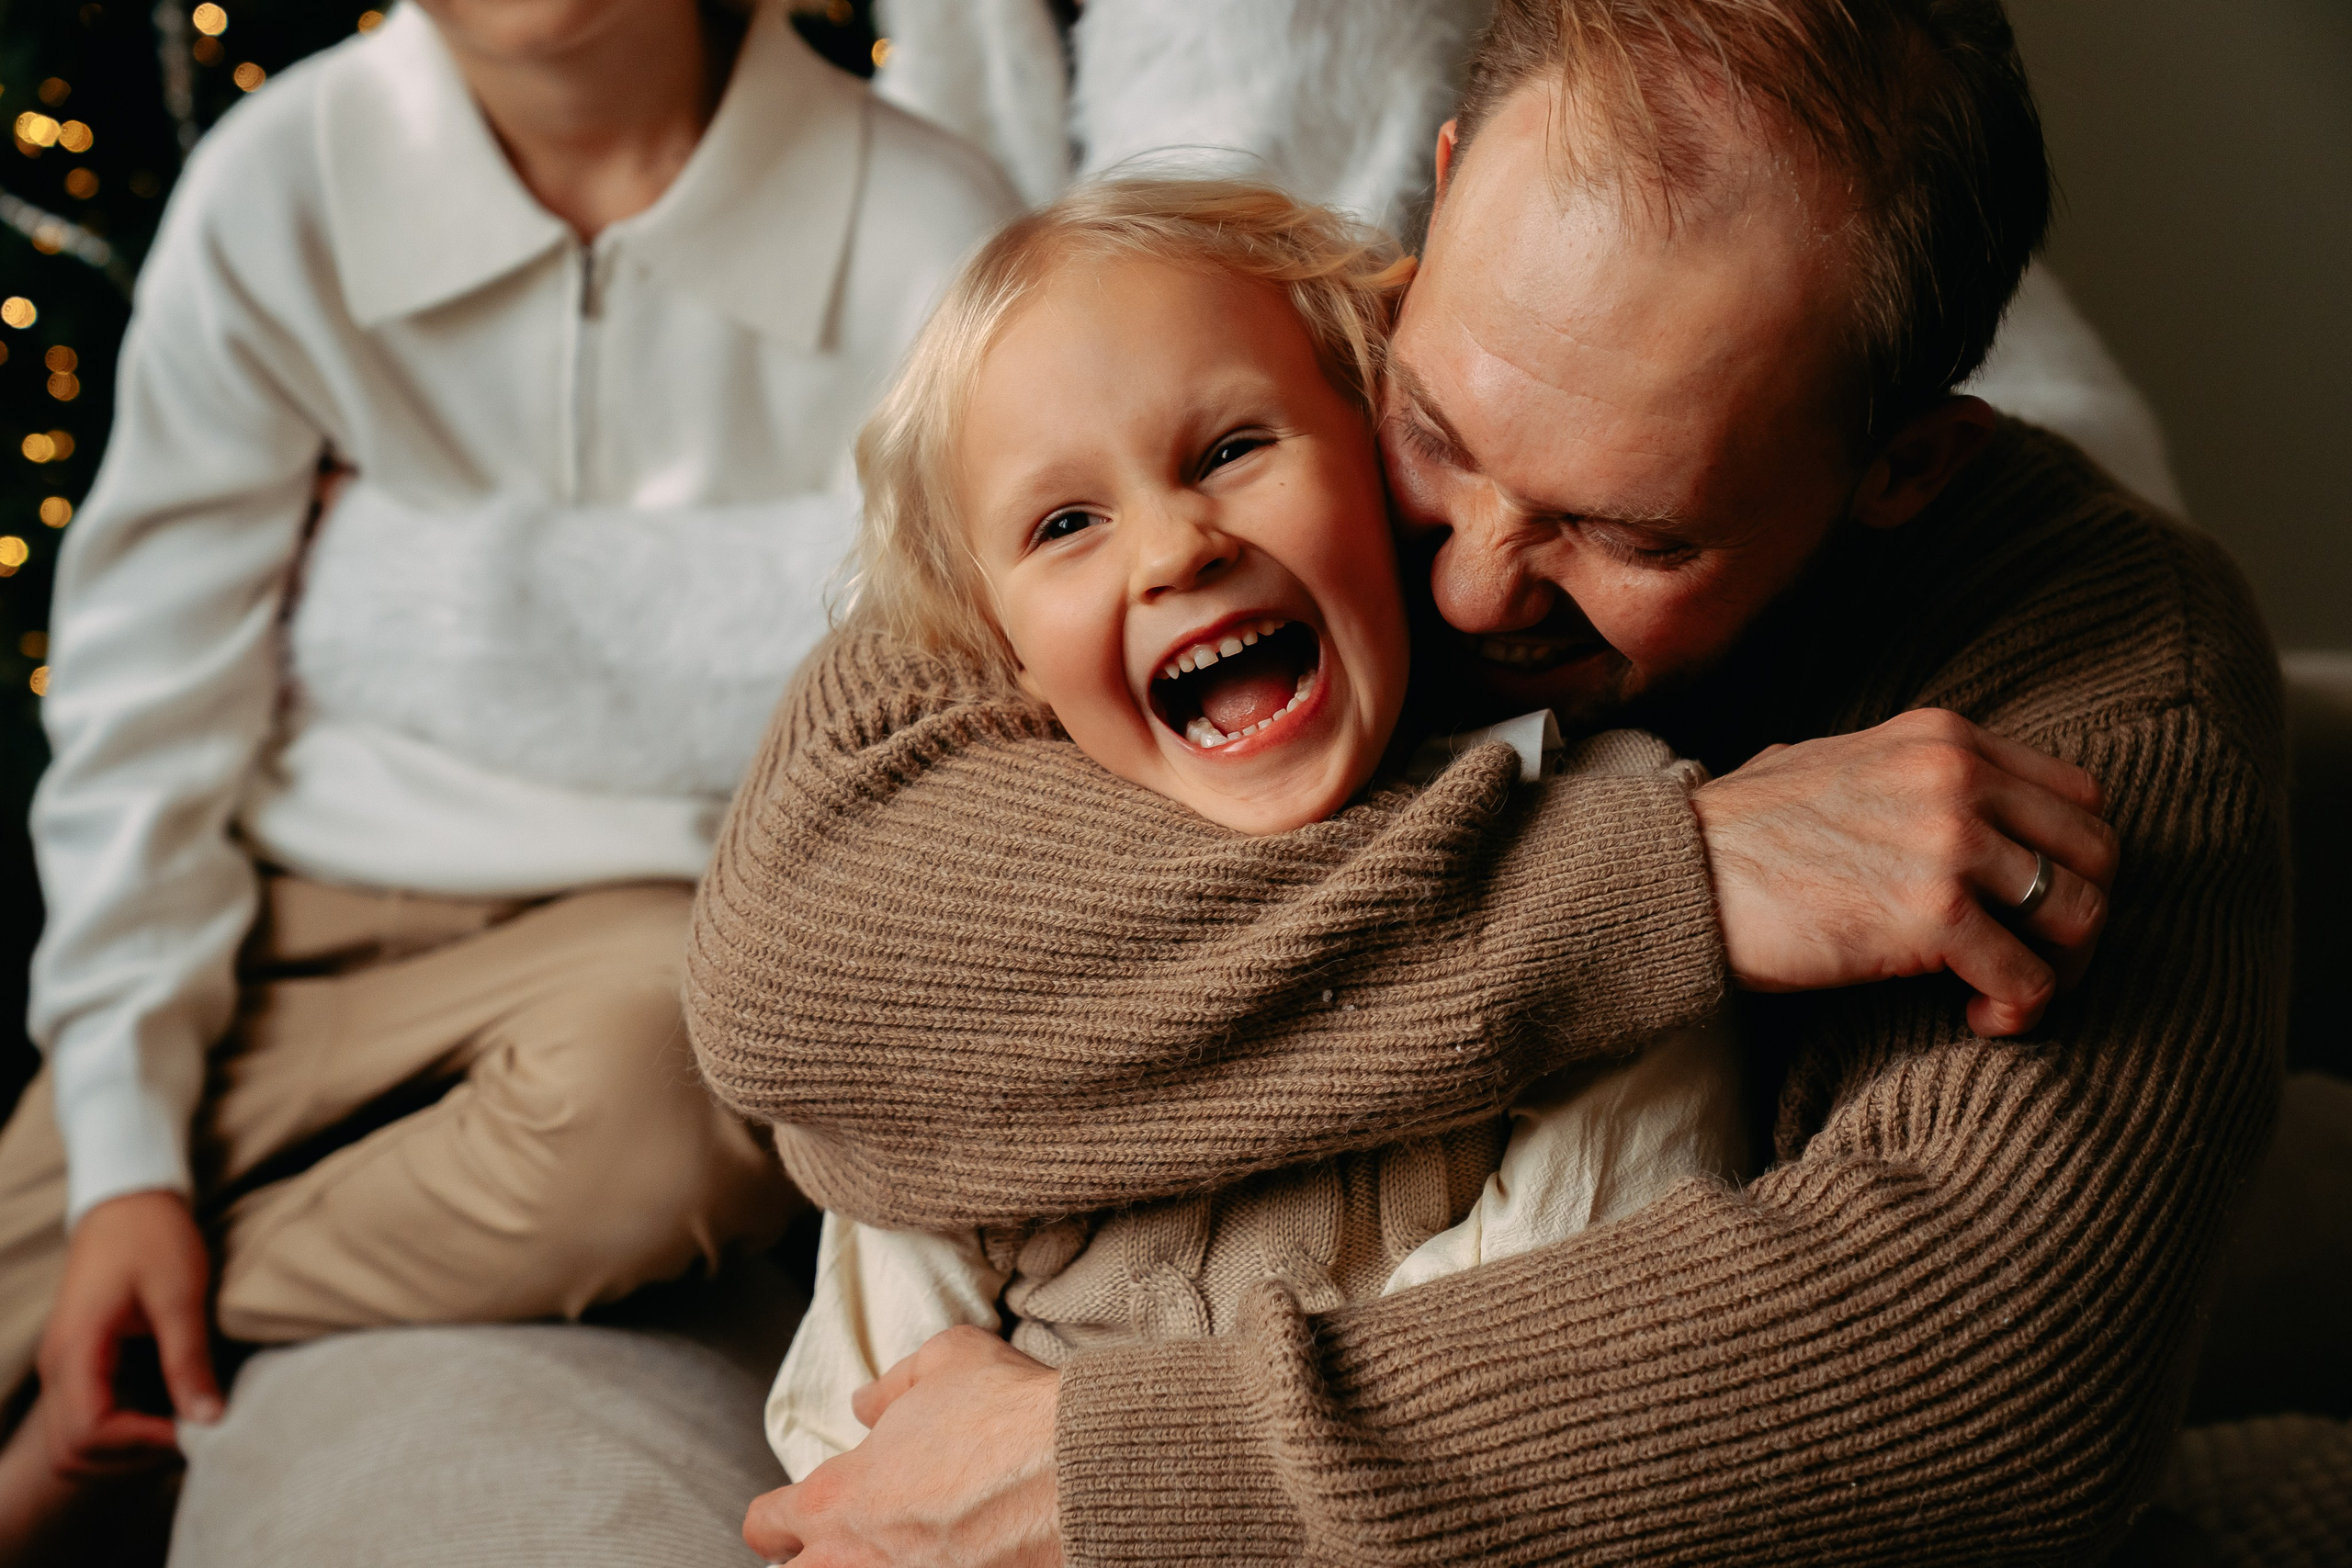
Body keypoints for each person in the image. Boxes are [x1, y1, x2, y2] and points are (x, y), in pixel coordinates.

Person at [685, 0, 2285, 1562]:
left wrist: (1109, 1467)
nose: (1468, 592)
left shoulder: (2112, 662)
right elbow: (785, 967)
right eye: (1436, 434)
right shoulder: (1252, 375)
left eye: (1634, 532)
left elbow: (1998, 1366)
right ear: (1442, 197)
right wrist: (1670, 881)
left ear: (1906, 465)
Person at [0, 0, 1015, 1550]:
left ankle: (169, 1331)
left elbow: (949, 660)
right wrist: (126, 1160)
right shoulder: (282, 183)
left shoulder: (926, 225)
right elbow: (151, 699)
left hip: (652, 932)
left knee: (669, 1091)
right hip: (281, 922)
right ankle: (118, 1306)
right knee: (54, 1203)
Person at [757, 179, 1748, 1481]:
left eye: (1231, 449)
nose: (1173, 548)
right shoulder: (981, 985)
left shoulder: (1617, 869)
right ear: (1003, 651)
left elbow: (1537, 1362)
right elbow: (861, 1437)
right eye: (1065, 525)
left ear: (1388, 465)